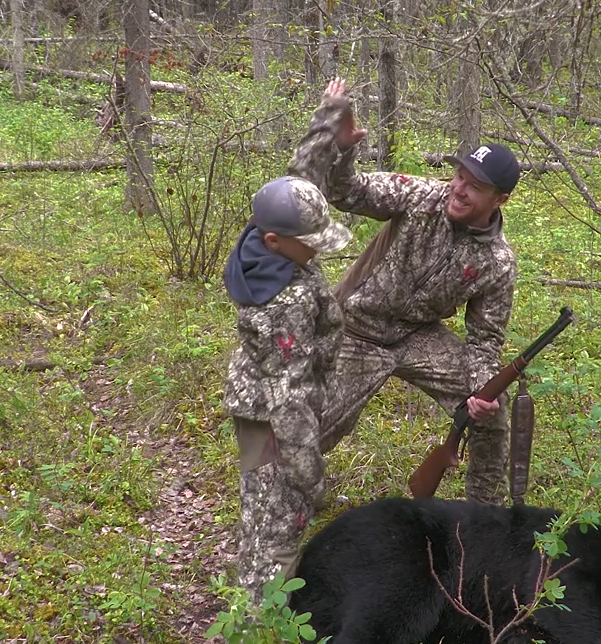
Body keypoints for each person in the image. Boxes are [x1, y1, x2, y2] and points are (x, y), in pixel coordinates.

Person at [287, 78, 520, 504]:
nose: (459, 188)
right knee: (310, 435)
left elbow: (485, 342)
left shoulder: (497, 262)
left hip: (417, 336)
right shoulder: (420, 197)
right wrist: (344, 148)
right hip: (358, 327)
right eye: (459, 175)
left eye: (476, 185)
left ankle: (483, 516)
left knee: (494, 409)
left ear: (499, 199)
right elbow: (347, 192)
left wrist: (482, 388)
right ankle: (292, 497)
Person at [222, 175, 351, 609]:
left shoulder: (270, 260)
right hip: (276, 419)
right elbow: (289, 396)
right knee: (282, 521)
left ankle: (254, 610)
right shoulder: (284, 301)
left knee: (261, 512)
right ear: (274, 240)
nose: (316, 249)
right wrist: (308, 472)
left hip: (259, 405)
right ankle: (257, 640)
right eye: (309, 240)